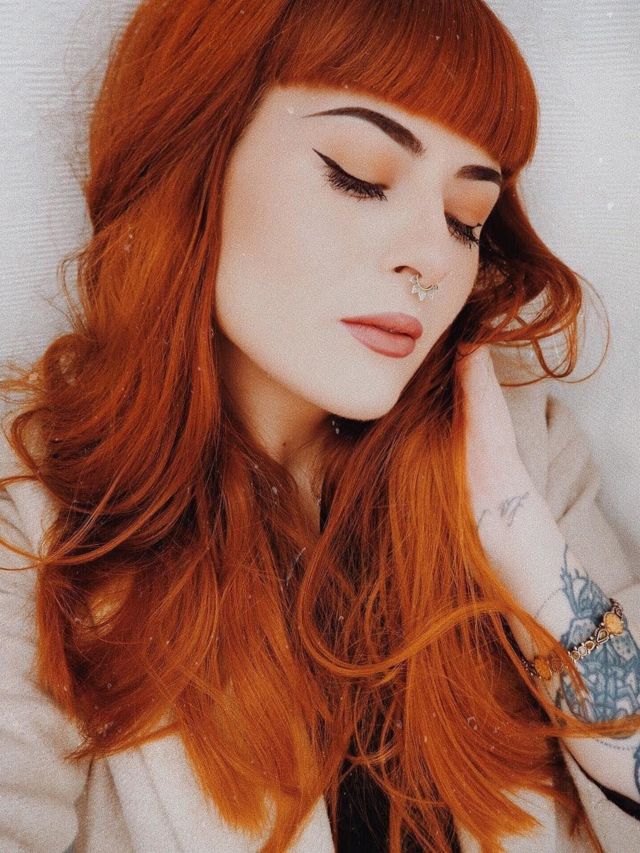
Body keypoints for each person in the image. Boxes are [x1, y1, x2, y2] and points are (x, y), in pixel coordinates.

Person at [0, 0, 638, 851]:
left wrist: (529, 560)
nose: (432, 258)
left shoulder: (524, 455)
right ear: (194, 157)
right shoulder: (31, 501)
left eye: (467, 219)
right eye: (359, 176)